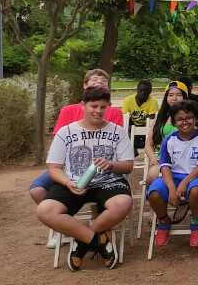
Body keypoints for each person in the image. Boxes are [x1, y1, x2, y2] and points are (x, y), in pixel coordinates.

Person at [36, 86, 134, 270]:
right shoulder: (66, 132)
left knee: (123, 203)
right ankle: (98, 240)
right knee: (45, 210)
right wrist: (67, 182)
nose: (98, 111)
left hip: (108, 182)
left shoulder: (118, 132)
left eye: (103, 107)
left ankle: (81, 241)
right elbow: (53, 168)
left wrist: (110, 164)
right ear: (83, 105)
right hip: (73, 182)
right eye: (94, 106)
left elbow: (128, 165)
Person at [28, 69, 126, 205]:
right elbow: (59, 142)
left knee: (100, 190)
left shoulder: (114, 113)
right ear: (85, 85)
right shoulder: (68, 110)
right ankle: (64, 215)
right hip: (68, 167)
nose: (99, 82)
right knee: (36, 190)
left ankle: (96, 215)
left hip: (100, 168)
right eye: (94, 79)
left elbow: (114, 146)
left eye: (103, 80)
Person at [147, 100, 198, 248]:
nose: (185, 122)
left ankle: (196, 222)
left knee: (196, 191)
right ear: (174, 122)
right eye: (180, 119)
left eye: (189, 118)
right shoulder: (169, 140)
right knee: (154, 193)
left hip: (195, 176)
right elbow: (165, 166)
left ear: (196, 119)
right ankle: (164, 221)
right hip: (171, 176)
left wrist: (184, 183)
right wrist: (171, 187)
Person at [143, 81, 191, 176]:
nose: (174, 98)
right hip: (164, 160)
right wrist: (153, 158)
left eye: (178, 95)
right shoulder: (161, 117)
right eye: (171, 95)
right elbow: (148, 144)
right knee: (152, 175)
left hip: (186, 160)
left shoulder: (191, 117)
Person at [122, 79, 157, 155]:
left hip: (146, 125)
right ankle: (131, 152)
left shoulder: (153, 101)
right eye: (141, 90)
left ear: (150, 91)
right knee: (126, 131)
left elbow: (151, 118)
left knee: (151, 132)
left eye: (146, 91)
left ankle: (147, 148)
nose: (143, 93)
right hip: (132, 124)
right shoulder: (128, 100)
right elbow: (125, 117)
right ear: (137, 90)